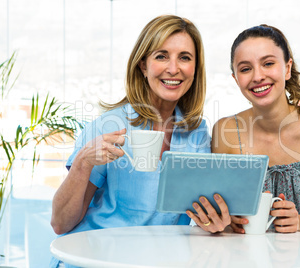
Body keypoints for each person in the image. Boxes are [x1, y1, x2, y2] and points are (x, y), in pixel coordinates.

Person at [50, 15, 231, 268]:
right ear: (143, 66)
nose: (173, 68)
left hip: (160, 261)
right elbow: (60, 223)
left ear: (195, 70)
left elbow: (201, 213)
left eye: (185, 57)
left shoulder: (197, 132)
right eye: (161, 56)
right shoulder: (109, 126)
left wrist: (216, 222)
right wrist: (82, 162)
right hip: (96, 260)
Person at [212, 24, 300, 237]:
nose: (257, 76)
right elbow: (221, 216)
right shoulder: (225, 131)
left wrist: (299, 222)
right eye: (246, 69)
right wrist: (229, 221)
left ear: (287, 68)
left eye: (268, 63)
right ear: (236, 79)